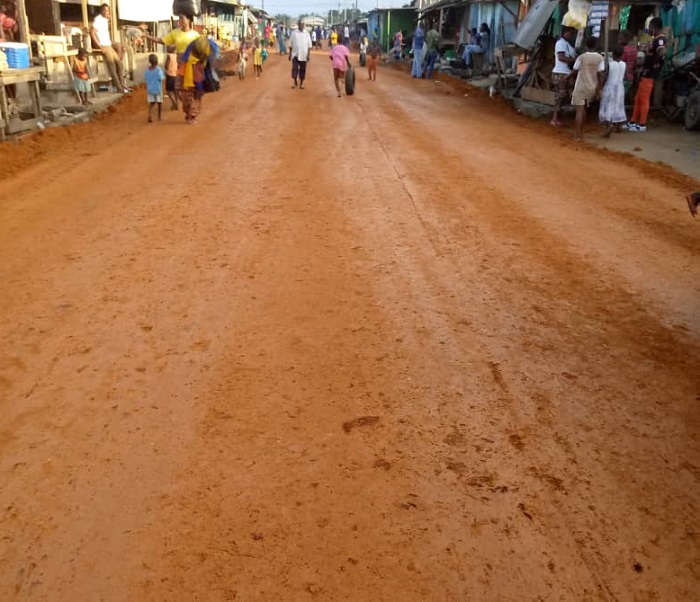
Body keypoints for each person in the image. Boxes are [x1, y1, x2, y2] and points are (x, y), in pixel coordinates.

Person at [144, 14, 201, 124]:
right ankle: (188, 111)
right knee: (179, 90)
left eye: (182, 18)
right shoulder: (175, 33)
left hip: (192, 66)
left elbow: (200, 50)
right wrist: (147, 36)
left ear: (189, 20)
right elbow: (161, 40)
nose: (180, 20)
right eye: (179, 18)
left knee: (190, 91)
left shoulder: (195, 35)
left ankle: (192, 115)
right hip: (180, 67)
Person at [628, 17, 667, 133]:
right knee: (638, 98)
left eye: (650, 26)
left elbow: (662, 52)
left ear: (654, 27)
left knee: (643, 99)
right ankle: (633, 122)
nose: (648, 29)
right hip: (646, 72)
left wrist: (655, 62)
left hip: (649, 73)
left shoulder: (660, 39)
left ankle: (642, 123)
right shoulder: (655, 39)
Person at [90, 3, 129, 94]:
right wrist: (99, 46)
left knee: (119, 63)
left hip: (108, 44)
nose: (108, 12)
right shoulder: (98, 19)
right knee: (112, 65)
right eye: (106, 11)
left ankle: (123, 85)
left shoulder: (104, 20)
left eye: (109, 11)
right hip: (104, 45)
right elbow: (92, 32)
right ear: (102, 11)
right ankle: (119, 87)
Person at [571, 37, 603, 141]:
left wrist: (568, 78)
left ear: (586, 46)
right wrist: (599, 88)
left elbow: (575, 70)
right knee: (584, 109)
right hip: (592, 87)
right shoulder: (600, 58)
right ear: (595, 46)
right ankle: (582, 134)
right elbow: (600, 74)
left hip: (581, 86)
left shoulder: (581, 57)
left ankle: (577, 135)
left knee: (579, 111)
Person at [550, 26, 577, 127]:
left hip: (566, 72)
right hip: (560, 73)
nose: (571, 35)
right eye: (570, 33)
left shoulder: (567, 44)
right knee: (560, 96)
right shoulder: (560, 43)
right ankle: (554, 118)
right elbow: (561, 58)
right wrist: (573, 60)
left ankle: (558, 117)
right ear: (565, 33)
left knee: (565, 95)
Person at [598, 47, 627, 137]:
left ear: (613, 55)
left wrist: (600, 86)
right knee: (618, 105)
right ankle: (618, 126)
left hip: (609, 86)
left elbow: (605, 76)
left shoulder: (610, 64)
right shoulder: (624, 64)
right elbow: (625, 76)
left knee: (607, 106)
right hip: (620, 87)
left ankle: (609, 124)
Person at [289, 20, 312, 89]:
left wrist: (308, 55)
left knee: (303, 69)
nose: (301, 25)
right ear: (298, 25)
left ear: (304, 25)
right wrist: (290, 54)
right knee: (295, 69)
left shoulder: (307, 34)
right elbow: (291, 44)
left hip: (304, 55)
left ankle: (301, 83)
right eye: (300, 24)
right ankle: (295, 81)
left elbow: (309, 45)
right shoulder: (294, 33)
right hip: (295, 54)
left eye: (302, 24)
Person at [144, 53, 164, 123]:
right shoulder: (158, 69)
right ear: (157, 61)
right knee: (159, 103)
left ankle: (149, 114)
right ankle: (159, 116)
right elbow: (161, 78)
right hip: (158, 89)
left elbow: (145, 78)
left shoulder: (147, 70)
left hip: (150, 89)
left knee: (151, 103)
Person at [619, 30, 637, 96]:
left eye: (620, 39)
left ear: (625, 39)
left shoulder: (624, 50)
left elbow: (621, 62)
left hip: (623, 76)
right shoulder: (635, 49)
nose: (619, 41)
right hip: (631, 77)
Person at [164, 45, 179, 110]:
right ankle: (177, 103)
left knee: (168, 91)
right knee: (175, 90)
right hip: (175, 74)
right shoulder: (176, 56)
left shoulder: (169, 56)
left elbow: (166, 66)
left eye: (168, 47)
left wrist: (166, 69)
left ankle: (174, 102)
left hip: (170, 75)